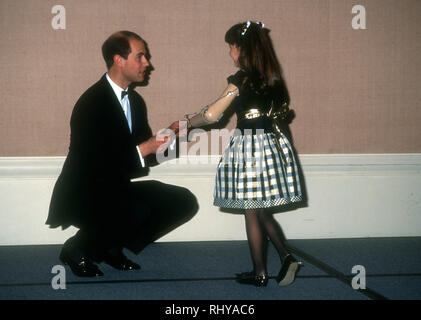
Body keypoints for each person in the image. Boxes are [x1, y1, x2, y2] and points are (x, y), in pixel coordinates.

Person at [46, 31, 198, 277]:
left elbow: (142, 157)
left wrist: (171, 135)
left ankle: (109, 246)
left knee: (182, 201)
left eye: (145, 57)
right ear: (118, 60)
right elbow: (99, 164)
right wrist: (149, 145)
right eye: (140, 57)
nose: (147, 63)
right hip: (84, 192)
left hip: (114, 189)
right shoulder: (91, 103)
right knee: (135, 209)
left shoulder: (135, 102)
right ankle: (77, 248)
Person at [186, 21, 304, 287]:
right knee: (260, 210)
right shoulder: (275, 81)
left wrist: (185, 123)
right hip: (272, 145)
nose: (230, 53)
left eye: (231, 47)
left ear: (243, 49)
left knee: (251, 211)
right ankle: (286, 257)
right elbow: (281, 120)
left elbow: (211, 114)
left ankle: (260, 272)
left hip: (249, 147)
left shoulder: (241, 80)